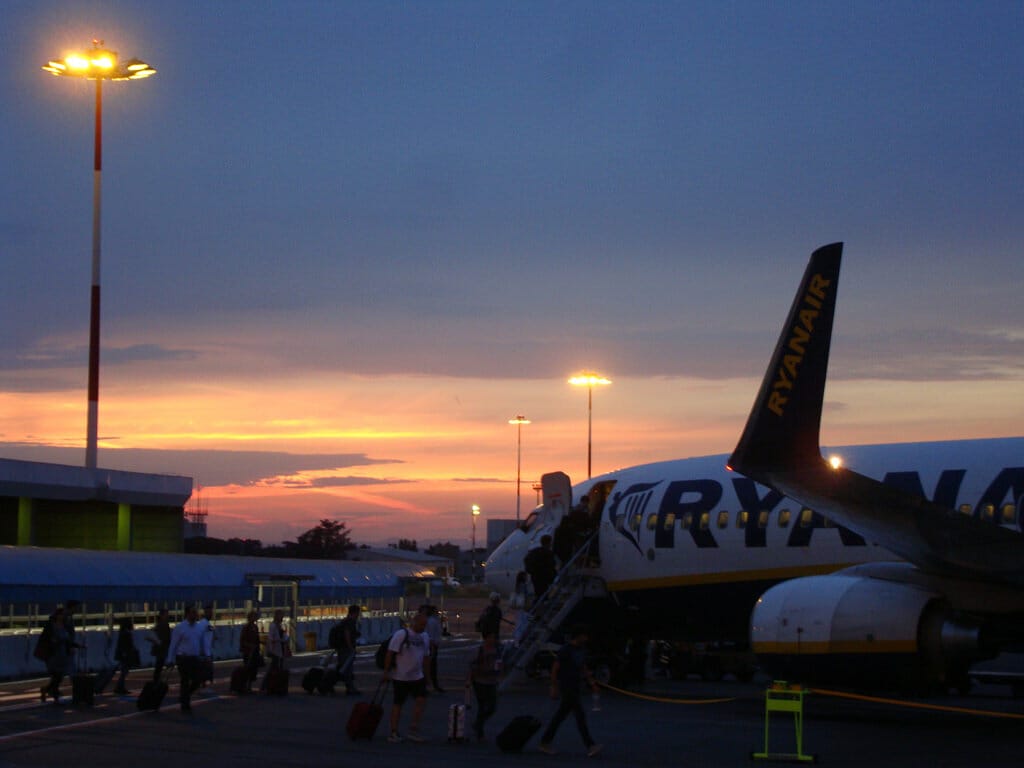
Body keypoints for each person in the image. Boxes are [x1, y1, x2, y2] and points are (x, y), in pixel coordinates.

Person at [538, 625, 603, 757]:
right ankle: (590, 745)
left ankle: (545, 741)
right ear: (578, 636)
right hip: (567, 686)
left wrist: (592, 683)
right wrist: (554, 687)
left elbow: (583, 667)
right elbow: (555, 669)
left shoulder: (581, 650)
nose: (586, 638)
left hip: (575, 685)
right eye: (584, 635)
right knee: (580, 716)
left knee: (560, 716)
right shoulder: (566, 650)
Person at [383, 612, 430, 743]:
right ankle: (393, 731)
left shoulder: (425, 637)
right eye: (421, 624)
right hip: (401, 676)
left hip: (417, 675)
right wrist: (386, 672)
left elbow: (426, 657)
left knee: (421, 700)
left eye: (425, 625)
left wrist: (427, 675)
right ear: (414, 622)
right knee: (398, 703)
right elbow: (390, 653)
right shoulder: (402, 634)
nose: (423, 627)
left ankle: (413, 729)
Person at [165, 605, 206, 712]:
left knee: (197, 680)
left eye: (196, 612)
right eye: (193, 612)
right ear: (187, 614)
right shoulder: (180, 628)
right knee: (185, 680)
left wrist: (205, 654)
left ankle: (185, 696)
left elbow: (202, 642)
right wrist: (170, 659)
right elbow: (173, 644)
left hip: (194, 657)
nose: (196, 614)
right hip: (183, 657)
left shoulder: (199, 627)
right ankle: (185, 704)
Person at [466, 630, 502, 741]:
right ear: (485, 638)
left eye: (494, 638)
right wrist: (468, 680)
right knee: (482, 706)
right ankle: (480, 733)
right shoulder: (479, 650)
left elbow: (500, 663)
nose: (492, 640)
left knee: (492, 707)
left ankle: (478, 724)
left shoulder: (497, 650)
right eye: (490, 637)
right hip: (479, 681)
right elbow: (472, 666)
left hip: (491, 681)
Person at [39, 607, 71, 704]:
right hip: (53, 654)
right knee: (56, 675)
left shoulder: (65, 625)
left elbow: (67, 639)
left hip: (62, 653)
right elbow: (47, 638)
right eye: (61, 614)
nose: (62, 616)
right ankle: (54, 693)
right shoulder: (51, 626)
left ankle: (48, 690)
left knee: (59, 676)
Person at [329, 604, 361, 695]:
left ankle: (332, 683)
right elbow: (347, 634)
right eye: (358, 613)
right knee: (347, 668)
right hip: (346, 648)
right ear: (355, 613)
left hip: (341, 648)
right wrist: (351, 647)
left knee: (342, 667)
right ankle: (350, 688)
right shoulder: (350, 622)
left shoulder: (344, 621)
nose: (358, 615)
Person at [261, 609, 289, 692]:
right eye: (281, 616)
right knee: (274, 668)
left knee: (275, 668)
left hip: (279, 649)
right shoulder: (273, 626)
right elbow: (271, 638)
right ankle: (267, 685)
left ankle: (271, 685)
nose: (282, 618)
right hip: (275, 650)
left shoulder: (278, 625)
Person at [524, 535, 558, 601]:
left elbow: (526, 559)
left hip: (535, 576)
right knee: (544, 594)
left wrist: (530, 570)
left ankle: (537, 605)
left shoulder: (535, 551)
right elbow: (551, 565)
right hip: (544, 577)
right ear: (549, 543)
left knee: (538, 593)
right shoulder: (548, 553)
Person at [421, 604, 444, 692]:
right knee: (430, 666)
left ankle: (433, 684)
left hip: (433, 644)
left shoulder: (434, 620)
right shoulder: (432, 621)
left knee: (432, 666)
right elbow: (430, 635)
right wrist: (432, 645)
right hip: (431, 645)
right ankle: (429, 685)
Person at [113, 616, 139, 695]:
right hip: (126, 655)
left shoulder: (123, 632)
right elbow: (127, 645)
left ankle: (120, 687)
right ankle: (120, 687)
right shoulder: (126, 633)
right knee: (124, 672)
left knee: (124, 672)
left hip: (124, 654)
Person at [239, 611, 262, 692]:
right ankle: (245, 685)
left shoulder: (255, 627)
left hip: (254, 650)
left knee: (253, 668)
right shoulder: (247, 627)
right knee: (248, 668)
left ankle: (249, 685)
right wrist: (249, 646)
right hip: (248, 651)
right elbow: (243, 640)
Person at [149, 608, 171, 683]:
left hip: (161, 647)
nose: (167, 616)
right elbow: (165, 637)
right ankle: (156, 680)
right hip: (161, 647)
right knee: (159, 665)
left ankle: (157, 679)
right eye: (166, 614)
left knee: (159, 665)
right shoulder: (162, 624)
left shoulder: (160, 624)